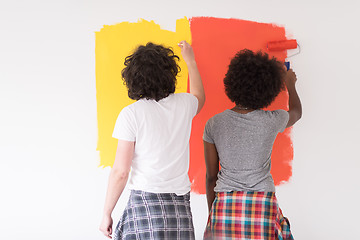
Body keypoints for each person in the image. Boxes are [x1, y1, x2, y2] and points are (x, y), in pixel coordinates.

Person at [99, 41, 205, 240]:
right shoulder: (184, 104)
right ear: (170, 73)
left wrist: (106, 213)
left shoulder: (131, 114)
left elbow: (121, 172)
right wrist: (190, 61)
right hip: (179, 206)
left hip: (144, 202)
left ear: (133, 78)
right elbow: (199, 95)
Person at [203, 49, 301, 239]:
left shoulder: (213, 124)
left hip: (225, 204)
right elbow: (296, 112)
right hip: (262, 202)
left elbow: (210, 177)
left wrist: (213, 213)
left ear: (232, 83)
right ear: (269, 90)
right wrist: (290, 84)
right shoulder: (273, 119)